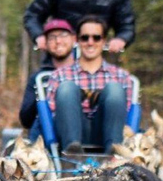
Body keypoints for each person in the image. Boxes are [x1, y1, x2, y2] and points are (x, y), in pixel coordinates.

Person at [46, 15, 132, 154]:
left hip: (108, 129)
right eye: (85, 37)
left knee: (114, 89)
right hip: (70, 130)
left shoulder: (121, 76)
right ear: (77, 40)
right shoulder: (58, 76)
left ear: (104, 40)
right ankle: (72, 151)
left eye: (96, 37)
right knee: (67, 87)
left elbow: (124, 116)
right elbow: (53, 114)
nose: (90, 42)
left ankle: (114, 152)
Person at [18, 19, 77, 141]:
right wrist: (42, 96)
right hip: (47, 133)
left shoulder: (85, 74)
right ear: (45, 43)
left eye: (63, 35)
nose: (58, 41)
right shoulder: (39, 78)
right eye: (52, 37)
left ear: (74, 39)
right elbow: (26, 120)